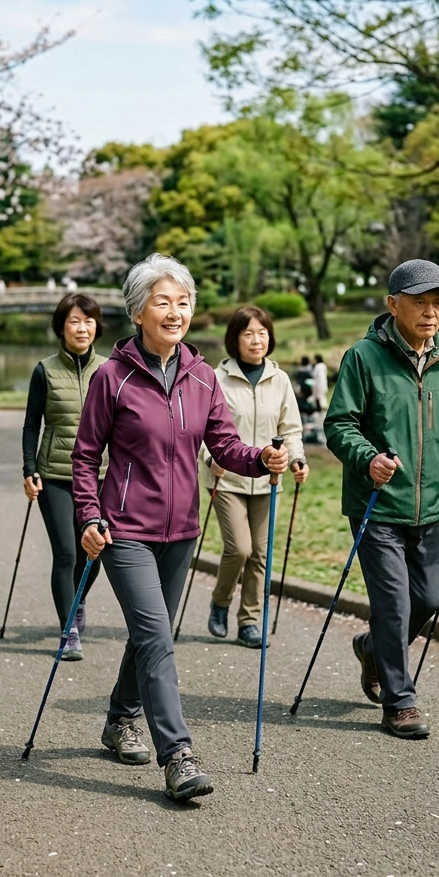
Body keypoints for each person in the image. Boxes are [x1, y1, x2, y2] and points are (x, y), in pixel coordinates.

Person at [73, 254, 289, 800]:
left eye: (183, 302)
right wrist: (90, 515)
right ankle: (178, 755)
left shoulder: (200, 376)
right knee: (156, 636)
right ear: (139, 310)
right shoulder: (111, 377)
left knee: (153, 635)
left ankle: (119, 718)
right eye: (163, 302)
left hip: (182, 531)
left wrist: (260, 457)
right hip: (125, 530)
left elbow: (224, 446)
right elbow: (84, 457)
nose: (175, 311)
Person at [325, 259, 439, 740]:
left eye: (438, 302)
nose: (431, 312)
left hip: (428, 507)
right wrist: (369, 457)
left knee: (428, 599)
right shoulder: (362, 357)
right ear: (393, 304)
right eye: (420, 302)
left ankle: (372, 648)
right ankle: (400, 702)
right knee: (393, 603)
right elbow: (339, 425)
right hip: (376, 506)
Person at [202, 305, 308, 648]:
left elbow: (290, 429)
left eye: (262, 333)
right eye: (248, 334)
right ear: (235, 339)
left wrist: (297, 459)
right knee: (239, 549)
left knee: (261, 553)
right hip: (227, 478)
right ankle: (220, 602)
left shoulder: (280, 380)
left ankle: (248, 621)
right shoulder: (215, 379)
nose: (256, 340)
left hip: (267, 480)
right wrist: (210, 457)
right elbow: (204, 431)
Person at [21, 292, 107, 660]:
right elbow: (31, 424)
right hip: (55, 474)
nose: (82, 328)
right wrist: (29, 469)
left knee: (96, 555)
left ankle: (78, 600)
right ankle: (68, 628)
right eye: (74, 321)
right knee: (67, 553)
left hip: (101, 476)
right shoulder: (44, 370)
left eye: (88, 321)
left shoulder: (110, 370)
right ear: (61, 328)